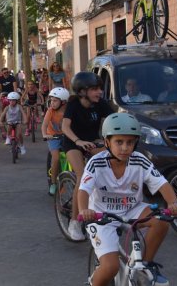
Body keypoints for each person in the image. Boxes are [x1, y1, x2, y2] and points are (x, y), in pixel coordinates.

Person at [79, 113, 177, 286]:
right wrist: (84, 210)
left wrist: (173, 202)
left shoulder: (139, 160)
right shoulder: (96, 163)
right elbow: (83, 190)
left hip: (132, 209)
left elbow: (162, 184)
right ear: (107, 142)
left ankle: (144, 267)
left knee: (161, 220)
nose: (125, 148)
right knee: (110, 267)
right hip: (101, 215)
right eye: (119, 142)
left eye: (130, 142)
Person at [61, 72, 114, 241]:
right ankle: (75, 222)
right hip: (73, 143)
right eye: (94, 89)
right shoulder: (73, 104)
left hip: (93, 142)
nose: (99, 92)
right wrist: (78, 141)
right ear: (82, 91)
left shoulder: (101, 104)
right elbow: (65, 127)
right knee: (82, 175)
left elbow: (114, 120)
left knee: (111, 164)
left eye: (99, 88)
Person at [41, 87, 70, 195]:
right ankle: (53, 183)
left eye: (55, 100)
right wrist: (45, 134)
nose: (52, 103)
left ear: (63, 102)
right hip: (52, 136)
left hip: (66, 135)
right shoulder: (50, 111)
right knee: (56, 158)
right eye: (51, 100)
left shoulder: (68, 111)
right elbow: (44, 125)